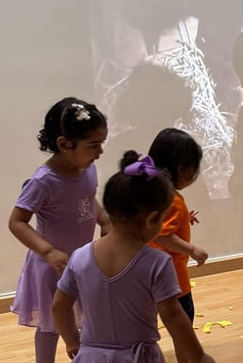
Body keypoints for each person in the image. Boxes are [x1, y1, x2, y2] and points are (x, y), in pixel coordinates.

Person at [52, 152, 215, 363]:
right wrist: (198, 356)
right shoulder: (157, 263)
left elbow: (59, 305)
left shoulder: (79, 256)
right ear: (152, 220)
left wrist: (72, 340)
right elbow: (173, 316)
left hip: (91, 356)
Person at [8, 97, 109, 363]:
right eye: (94, 145)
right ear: (64, 144)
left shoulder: (88, 169)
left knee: (89, 316)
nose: (100, 152)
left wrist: (105, 220)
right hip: (52, 267)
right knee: (51, 324)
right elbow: (17, 222)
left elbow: (87, 197)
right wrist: (49, 252)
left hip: (83, 261)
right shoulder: (43, 180)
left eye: (102, 144)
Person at [147, 128, 208, 322]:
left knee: (147, 315)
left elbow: (156, 224)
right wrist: (192, 249)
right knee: (183, 317)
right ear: (181, 169)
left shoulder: (152, 192)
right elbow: (162, 235)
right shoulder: (171, 199)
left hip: (150, 268)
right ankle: (188, 352)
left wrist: (183, 219)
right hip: (171, 271)